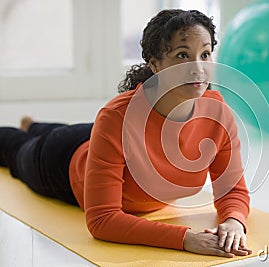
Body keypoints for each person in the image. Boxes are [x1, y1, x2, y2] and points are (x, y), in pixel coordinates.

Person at [0, 9, 251, 258]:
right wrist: (185, 239)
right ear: (155, 64)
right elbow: (102, 219)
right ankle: (30, 131)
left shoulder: (217, 112)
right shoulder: (116, 117)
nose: (198, 68)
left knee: (73, 130)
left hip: (99, 137)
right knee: (15, 148)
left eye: (205, 54)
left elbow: (233, 190)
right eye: (182, 55)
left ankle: (34, 124)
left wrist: (234, 221)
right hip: (62, 161)